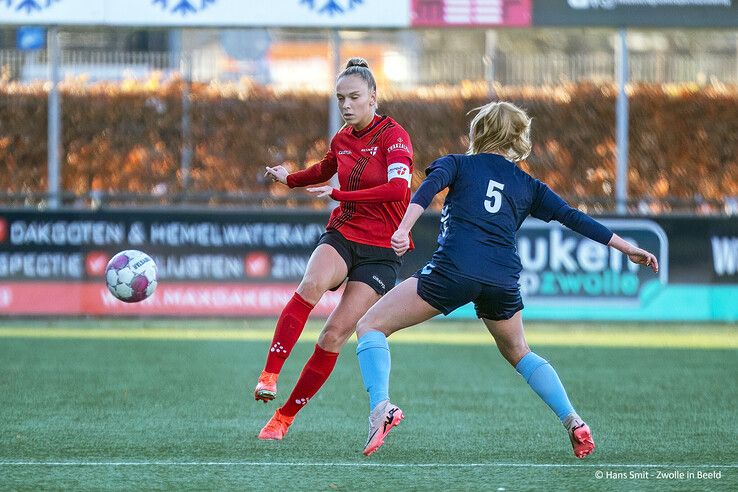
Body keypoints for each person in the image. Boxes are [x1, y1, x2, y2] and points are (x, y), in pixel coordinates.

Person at [353, 101, 660, 458]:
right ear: (518, 138)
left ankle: (381, 409)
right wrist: (626, 248)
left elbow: (425, 190)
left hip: (454, 270)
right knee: (519, 352)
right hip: (502, 277)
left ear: (478, 132)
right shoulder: (528, 184)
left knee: (370, 325)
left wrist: (404, 228)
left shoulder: (457, 163)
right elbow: (574, 217)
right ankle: (573, 420)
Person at [255, 57, 415, 440]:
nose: (346, 105)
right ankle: (270, 373)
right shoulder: (342, 138)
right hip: (345, 231)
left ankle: (284, 418)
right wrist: (289, 178)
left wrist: (341, 193)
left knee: (333, 335)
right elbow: (326, 168)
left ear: (373, 98)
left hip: (381, 251)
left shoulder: (395, 137)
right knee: (310, 285)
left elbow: (398, 191)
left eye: (354, 97)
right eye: (340, 98)